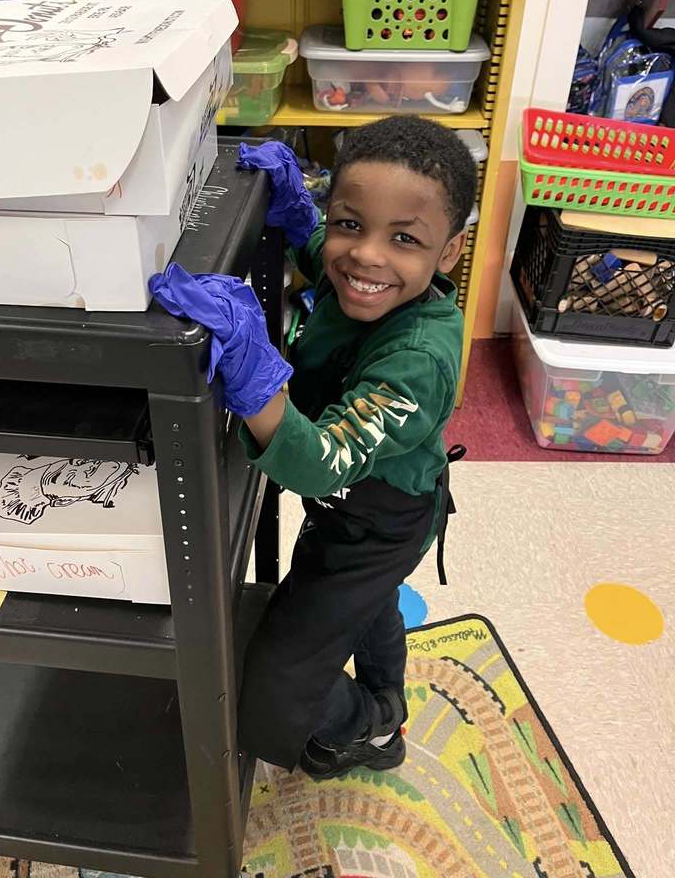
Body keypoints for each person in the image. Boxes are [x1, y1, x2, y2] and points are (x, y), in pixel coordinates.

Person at [150, 115, 475, 779]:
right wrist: (300, 220)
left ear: (449, 252)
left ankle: (374, 723)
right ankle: (387, 687)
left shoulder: (418, 359)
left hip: (380, 521)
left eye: (405, 239)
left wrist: (257, 373)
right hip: (353, 510)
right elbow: (325, 262)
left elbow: (320, 465)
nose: (366, 257)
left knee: (274, 686)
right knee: (371, 606)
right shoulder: (365, 281)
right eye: (350, 223)